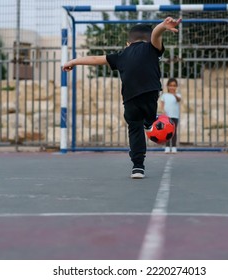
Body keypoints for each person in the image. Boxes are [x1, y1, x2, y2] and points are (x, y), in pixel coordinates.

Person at [62, 17, 182, 179]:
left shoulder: (121, 55)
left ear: (128, 43)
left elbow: (96, 59)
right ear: (147, 40)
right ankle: (149, 123)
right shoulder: (152, 48)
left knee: (134, 129)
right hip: (149, 94)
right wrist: (163, 26)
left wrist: (73, 61)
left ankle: (138, 167)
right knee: (148, 119)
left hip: (130, 99)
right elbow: (155, 35)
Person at [159, 78, 181, 153]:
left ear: (176, 87)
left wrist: (174, 94)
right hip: (167, 117)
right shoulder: (164, 95)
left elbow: (178, 100)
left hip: (175, 116)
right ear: (167, 86)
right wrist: (163, 112)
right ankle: (167, 147)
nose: (172, 87)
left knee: (174, 132)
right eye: (170, 85)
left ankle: (174, 147)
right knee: (167, 132)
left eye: (174, 86)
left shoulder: (178, 95)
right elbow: (162, 105)